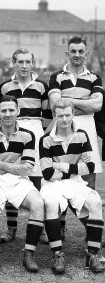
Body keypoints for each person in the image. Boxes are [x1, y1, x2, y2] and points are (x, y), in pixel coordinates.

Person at [0, 95, 45, 273]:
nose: (7, 114)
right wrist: (15, 166)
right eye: (4, 110)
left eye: (11, 110)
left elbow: (26, 170)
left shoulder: (28, 135)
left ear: (18, 112)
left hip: (19, 181)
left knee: (38, 203)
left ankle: (29, 254)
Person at [39, 99, 104, 274]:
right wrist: (76, 168)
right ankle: (58, 254)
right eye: (60, 116)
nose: (65, 119)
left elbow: (90, 167)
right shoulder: (45, 140)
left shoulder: (82, 135)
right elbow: (47, 174)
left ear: (73, 114)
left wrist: (61, 166)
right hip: (52, 184)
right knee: (52, 205)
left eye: (68, 115)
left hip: (76, 182)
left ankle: (92, 255)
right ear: (54, 116)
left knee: (96, 202)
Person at [48, 36, 103, 239]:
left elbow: (97, 106)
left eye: (81, 51)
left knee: (88, 182)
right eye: (73, 51)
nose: (77, 55)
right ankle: (60, 230)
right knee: (60, 179)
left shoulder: (94, 78)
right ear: (67, 53)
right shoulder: (57, 76)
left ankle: (92, 231)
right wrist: (84, 102)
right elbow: (56, 105)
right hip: (62, 132)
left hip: (87, 131)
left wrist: (67, 102)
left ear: (86, 54)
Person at [0, 48, 52, 244]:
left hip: (35, 129)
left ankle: (41, 227)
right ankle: (11, 229)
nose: (24, 66)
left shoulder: (41, 86)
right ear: (14, 63)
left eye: (28, 61)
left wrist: (38, 132)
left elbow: (47, 115)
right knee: (13, 176)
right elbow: (1, 114)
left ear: (32, 63)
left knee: (36, 177)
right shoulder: (4, 87)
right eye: (20, 62)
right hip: (13, 130)